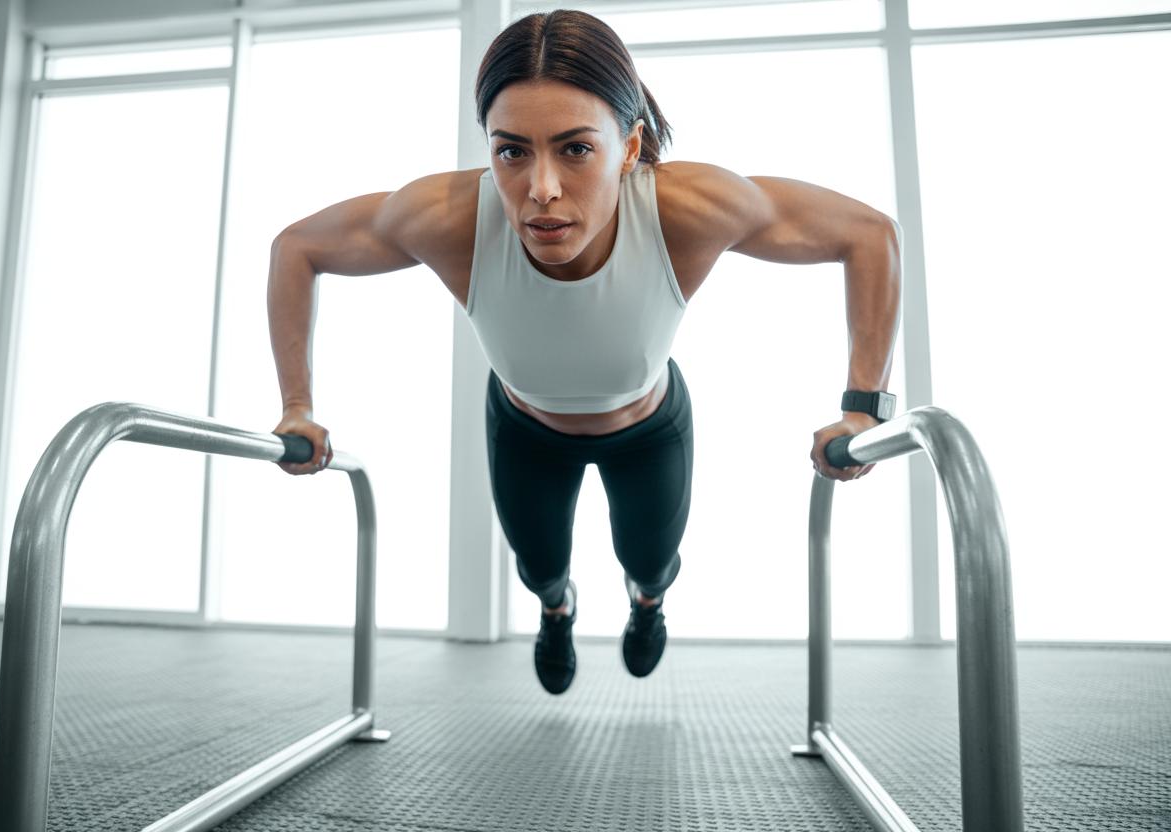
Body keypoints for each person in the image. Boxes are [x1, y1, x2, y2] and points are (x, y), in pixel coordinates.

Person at [267, 9, 902, 696]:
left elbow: (870, 236)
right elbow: (296, 249)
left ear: (628, 150)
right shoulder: (446, 219)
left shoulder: (687, 207)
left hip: (649, 429)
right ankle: (556, 610)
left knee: (651, 561)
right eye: (512, 151)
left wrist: (863, 409)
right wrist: (297, 407)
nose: (541, 189)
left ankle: (647, 605)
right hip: (524, 427)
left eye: (575, 149)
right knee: (538, 565)